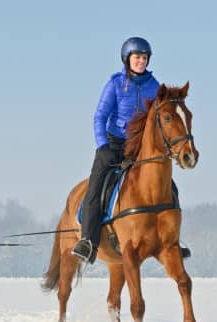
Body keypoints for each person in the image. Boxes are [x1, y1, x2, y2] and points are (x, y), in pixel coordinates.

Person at [72, 37, 163, 263]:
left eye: (144, 58)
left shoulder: (155, 86)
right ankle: (88, 241)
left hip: (140, 149)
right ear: (127, 59)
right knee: (96, 188)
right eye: (136, 57)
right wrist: (102, 145)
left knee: (165, 183)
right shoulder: (115, 84)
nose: (140, 61)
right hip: (112, 144)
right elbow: (99, 116)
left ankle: (171, 238)